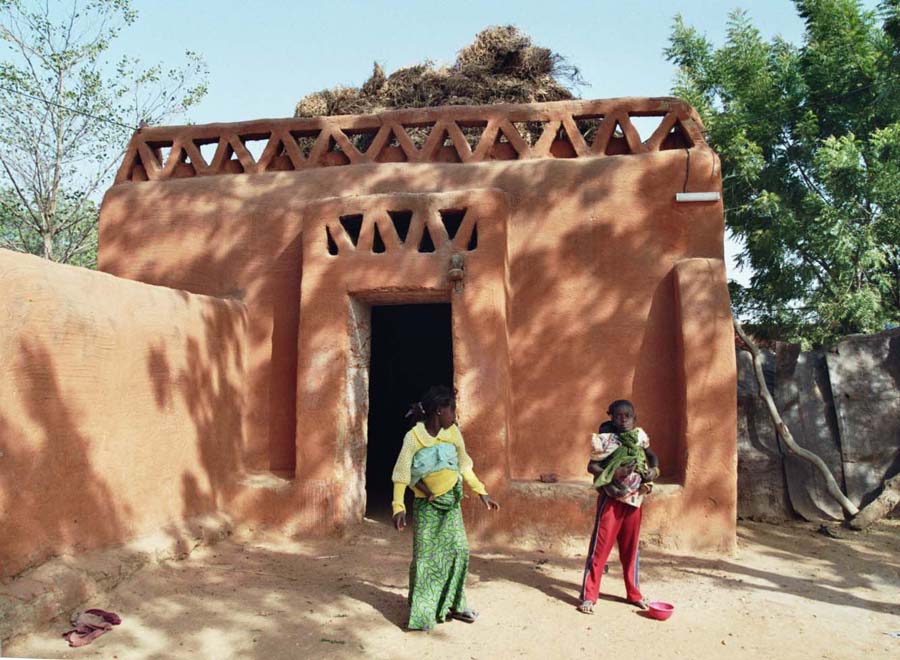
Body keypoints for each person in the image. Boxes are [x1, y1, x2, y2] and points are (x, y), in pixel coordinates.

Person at [391, 385, 500, 631]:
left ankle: (454, 605)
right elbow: (401, 474)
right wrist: (399, 507)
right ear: (439, 411)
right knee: (426, 560)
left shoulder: (453, 434)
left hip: (451, 503)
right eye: (452, 410)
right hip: (426, 507)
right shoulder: (414, 437)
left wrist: (482, 492)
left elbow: (464, 467)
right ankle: (422, 614)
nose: (455, 416)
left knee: (459, 550)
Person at [578, 399, 659, 614]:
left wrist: (654, 471)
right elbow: (592, 466)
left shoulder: (640, 437)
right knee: (600, 548)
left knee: (631, 549)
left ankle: (634, 593)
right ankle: (589, 595)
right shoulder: (606, 440)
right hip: (611, 499)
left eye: (627, 416)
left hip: (635, 499)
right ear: (610, 417)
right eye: (618, 416)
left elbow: (652, 457)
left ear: (635, 418)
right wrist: (615, 473)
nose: (623, 420)